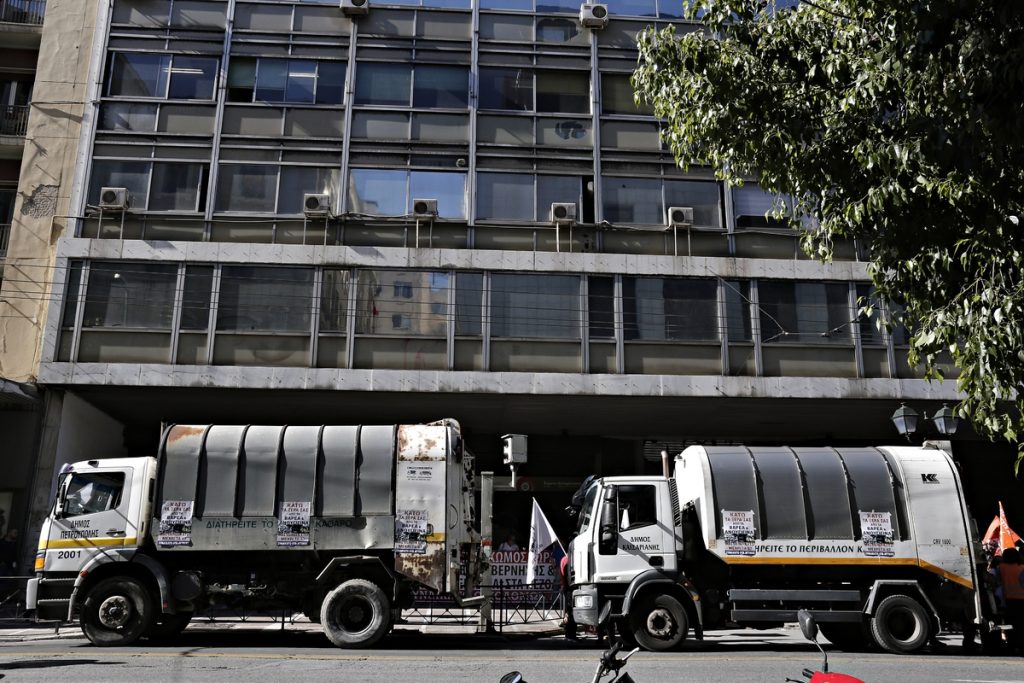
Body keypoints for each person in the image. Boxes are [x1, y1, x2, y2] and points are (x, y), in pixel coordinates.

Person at [999, 547, 1024, 654]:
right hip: (1021, 599)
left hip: (1007, 599)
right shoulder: (1022, 567)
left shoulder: (1001, 567)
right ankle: (1021, 644)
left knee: (1009, 624)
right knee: (1021, 624)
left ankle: (1011, 644)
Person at [559, 554, 576, 641]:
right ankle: (570, 635)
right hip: (570, 589)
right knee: (571, 612)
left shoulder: (563, 559)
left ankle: (569, 634)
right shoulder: (569, 561)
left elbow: (562, 574)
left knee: (568, 611)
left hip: (566, 588)